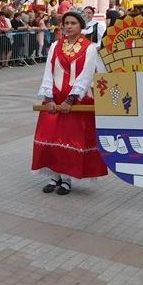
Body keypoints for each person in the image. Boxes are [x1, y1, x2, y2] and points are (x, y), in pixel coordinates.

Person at [33, 11, 108, 194]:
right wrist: (49, 98)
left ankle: (67, 178)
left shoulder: (89, 48)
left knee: (70, 138)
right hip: (55, 98)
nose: (69, 26)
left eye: (73, 23)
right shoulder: (55, 46)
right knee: (51, 135)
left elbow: (86, 75)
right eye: (66, 23)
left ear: (81, 25)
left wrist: (71, 99)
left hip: (77, 99)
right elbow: (48, 72)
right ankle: (54, 176)